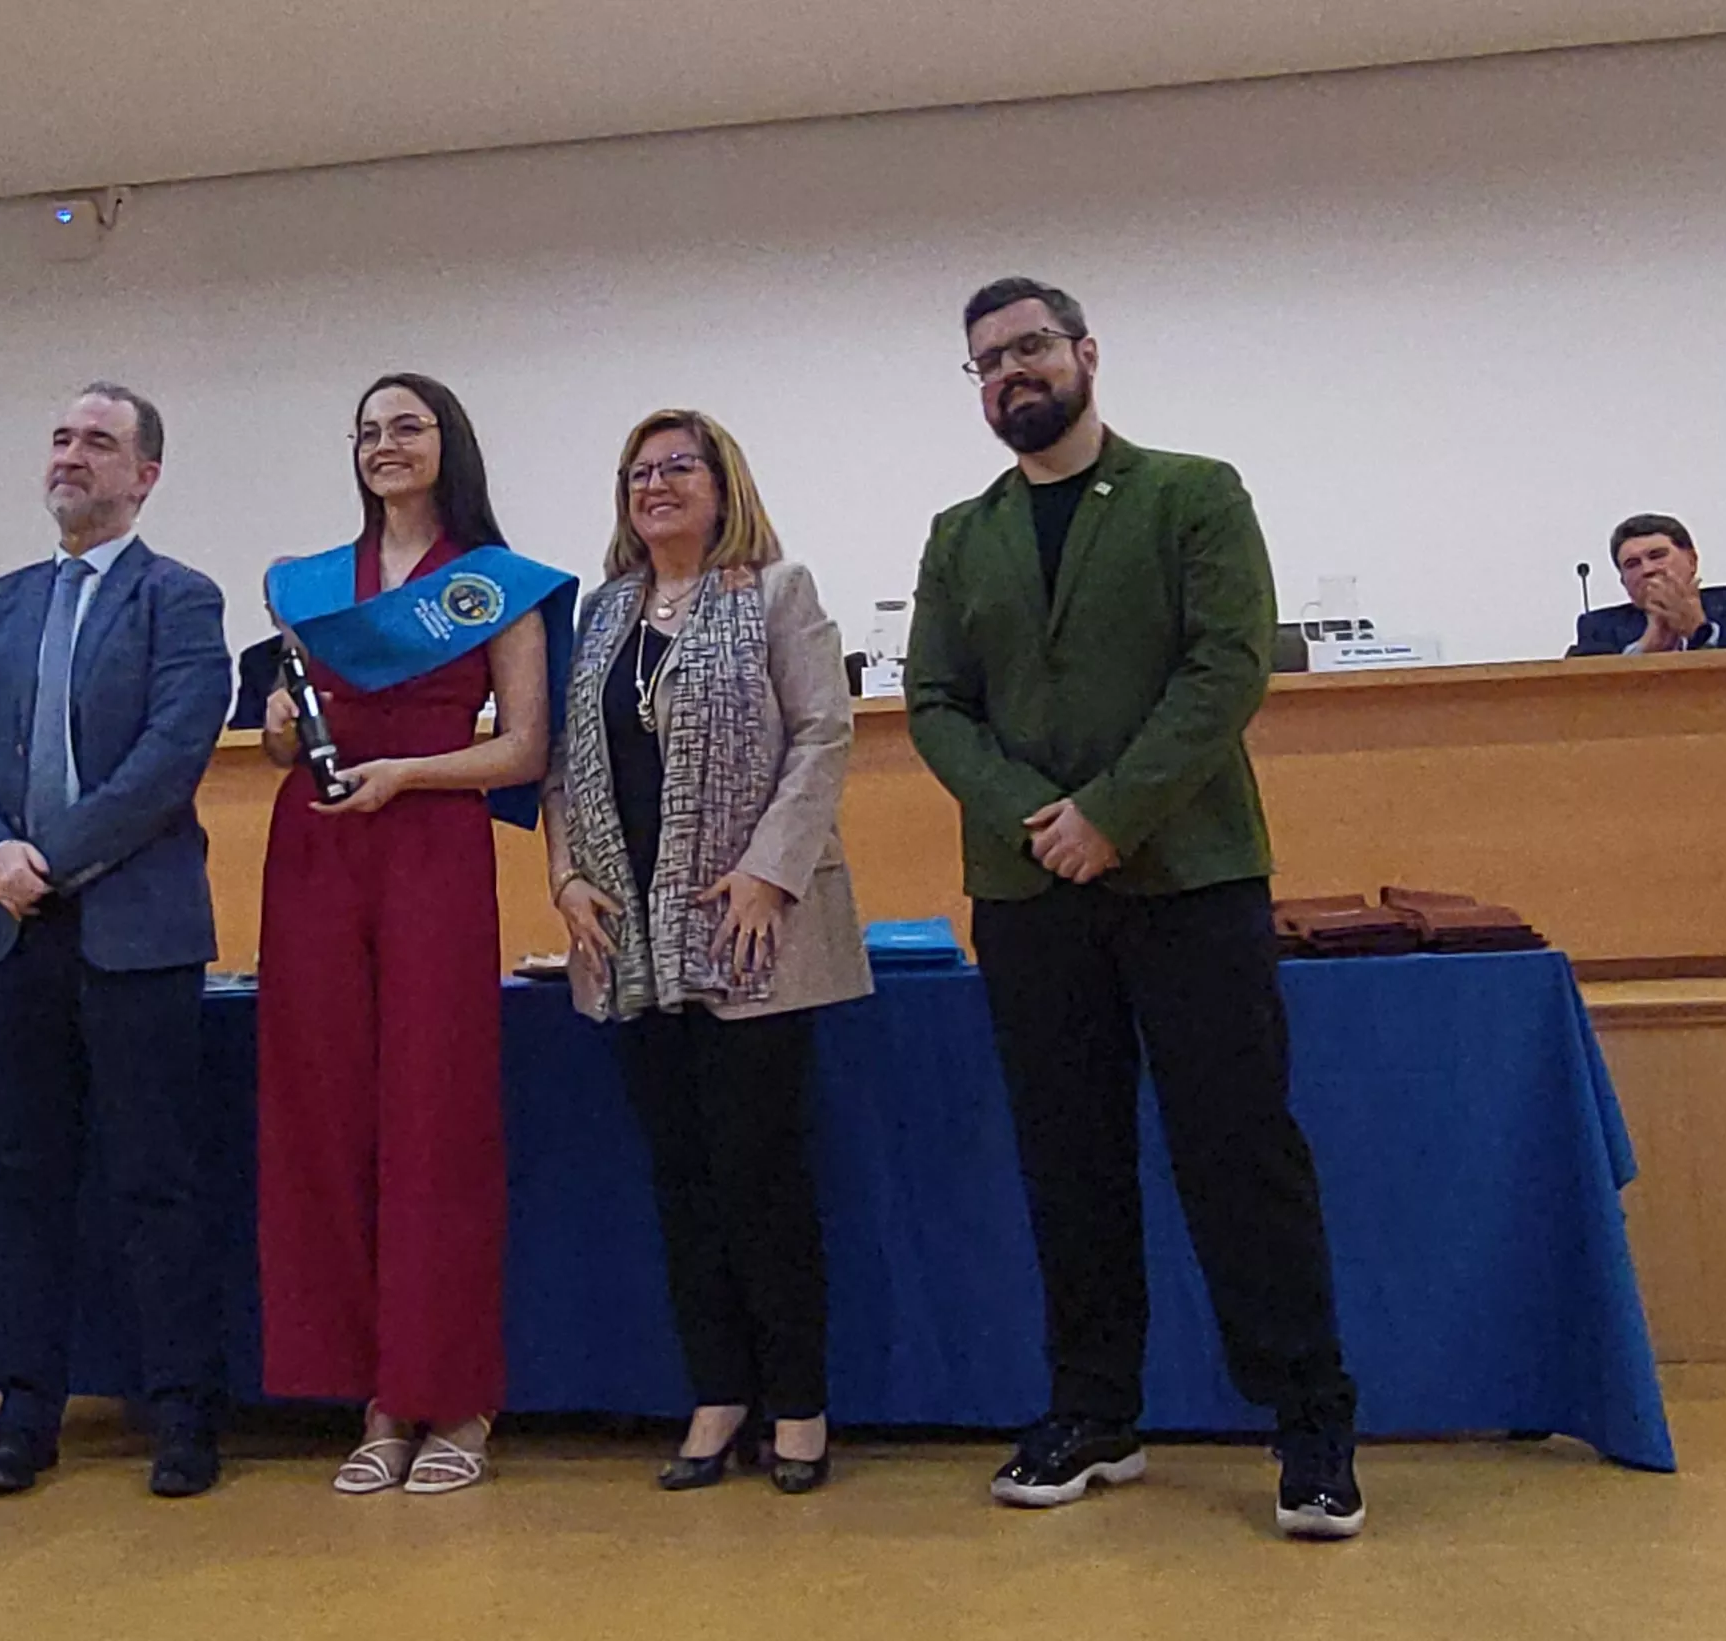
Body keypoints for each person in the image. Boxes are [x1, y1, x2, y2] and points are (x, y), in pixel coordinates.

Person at [905, 278, 1367, 1540]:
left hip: (1191, 879)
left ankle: (1309, 1422)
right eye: (987, 362)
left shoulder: (1191, 492)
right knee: (1070, 1161)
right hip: (1026, 893)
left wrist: (1112, 811)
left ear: (1085, 354)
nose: (1010, 374)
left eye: (1030, 348)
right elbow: (936, 703)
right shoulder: (960, 533)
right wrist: (1034, 820)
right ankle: (1094, 1409)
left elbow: (1227, 664)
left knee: (1240, 1152)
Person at [256, 373, 575, 1495]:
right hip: (315, 855)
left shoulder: (500, 584)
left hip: (432, 845)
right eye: (367, 431)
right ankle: (379, 1399)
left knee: (437, 1118)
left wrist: (408, 775)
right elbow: (285, 742)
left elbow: (526, 749)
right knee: (326, 1117)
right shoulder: (306, 584)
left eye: (406, 427)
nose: (383, 445)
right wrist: (283, 732)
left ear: (450, 443)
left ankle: (459, 1399)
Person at [542, 410, 869, 1495]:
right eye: (638, 471)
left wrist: (770, 869)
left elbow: (824, 734)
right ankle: (717, 1391)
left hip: (754, 937)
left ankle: (800, 1404)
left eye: (678, 466)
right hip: (629, 944)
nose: (656, 484)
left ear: (723, 484)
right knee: (682, 1183)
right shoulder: (600, 617)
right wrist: (567, 876)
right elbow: (559, 772)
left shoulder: (776, 592)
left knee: (762, 1180)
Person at [0, 384, 234, 1499]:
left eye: (98, 443)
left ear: (144, 474)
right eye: (59, 437)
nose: (71, 457)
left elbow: (167, 757)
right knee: (17, 1179)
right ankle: (24, 1413)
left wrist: (48, 856)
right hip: (6, 935)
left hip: (132, 934)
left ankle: (183, 1413)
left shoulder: (180, 600)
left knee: (156, 1180)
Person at [1568, 513, 1726, 655]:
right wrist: (1646, 648)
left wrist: (1699, 631)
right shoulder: (1598, 628)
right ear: (1623, 581)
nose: (1647, 569)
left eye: (1657, 555)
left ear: (1692, 561)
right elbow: (1594, 690)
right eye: (1632, 564)